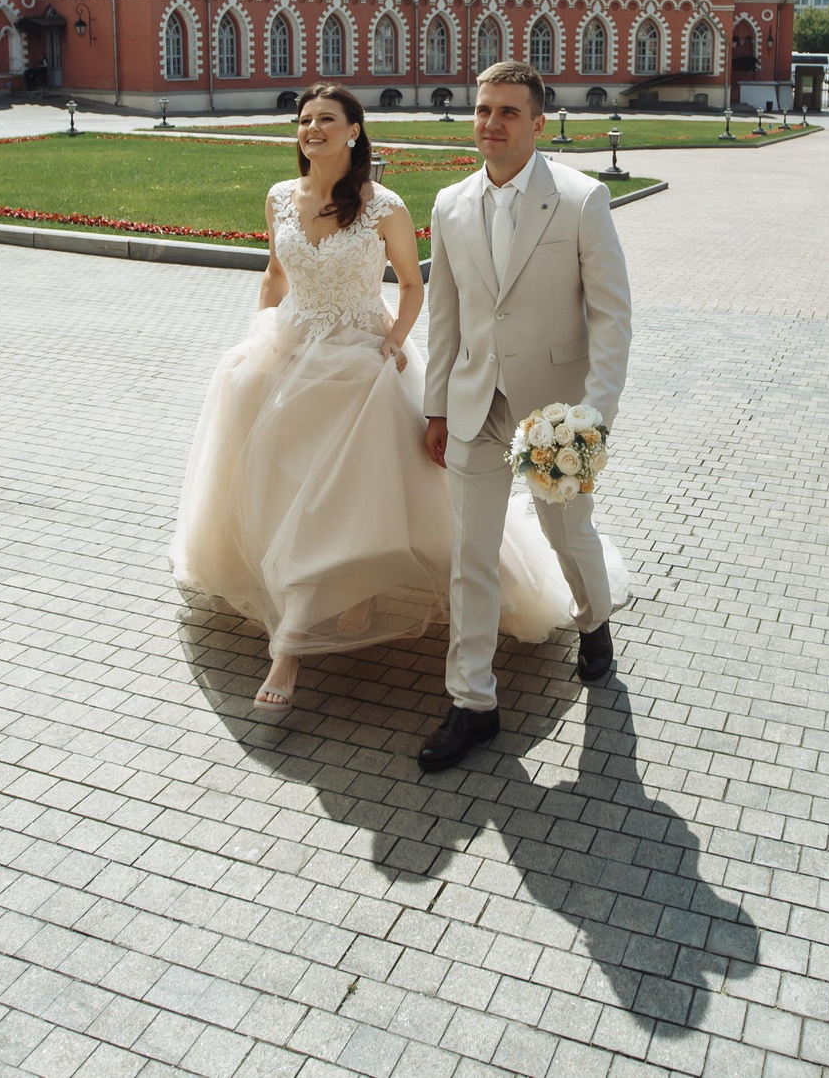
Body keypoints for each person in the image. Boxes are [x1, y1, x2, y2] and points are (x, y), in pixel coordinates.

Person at [173, 84, 580, 716]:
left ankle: (290, 645)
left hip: (360, 360)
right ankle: (337, 588)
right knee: (287, 486)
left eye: (326, 120)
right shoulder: (280, 196)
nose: (312, 130)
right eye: (305, 121)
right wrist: (260, 334)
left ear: (354, 131)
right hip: (286, 353)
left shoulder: (382, 206)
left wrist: (393, 339)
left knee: (341, 491)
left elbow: (414, 285)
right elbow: (275, 274)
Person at [417, 62, 632, 773]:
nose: (491, 123)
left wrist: (591, 420)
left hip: (555, 411)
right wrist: (437, 405)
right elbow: (444, 317)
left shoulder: (580, 200)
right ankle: (472, 701)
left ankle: (594, 621)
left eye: (508, 111)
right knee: (470, 555)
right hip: (478, 405)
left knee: (566, 531)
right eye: (482, 110)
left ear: (538, 123)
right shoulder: (449, 204)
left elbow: (612, 319)